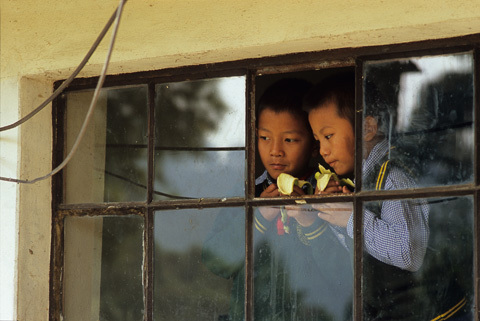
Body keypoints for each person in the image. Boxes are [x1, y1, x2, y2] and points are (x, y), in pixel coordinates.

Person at [303, 72, 457, 320]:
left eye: (328, 136)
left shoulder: (393, 176)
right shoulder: (361, 181)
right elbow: (363, 252)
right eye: (318, 140)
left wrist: (353, 217)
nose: (322, 150)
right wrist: (335, 215)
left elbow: (409, 253)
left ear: (367, 128)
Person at [202, 78, 353, 321]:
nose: (275, 150)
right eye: (264, 138)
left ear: (315, 144)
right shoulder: (248, 194)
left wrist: (310, 221)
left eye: (290, 140)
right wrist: (260, 217)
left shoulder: (330, 193)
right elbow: (215, 261)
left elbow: (349, 277)